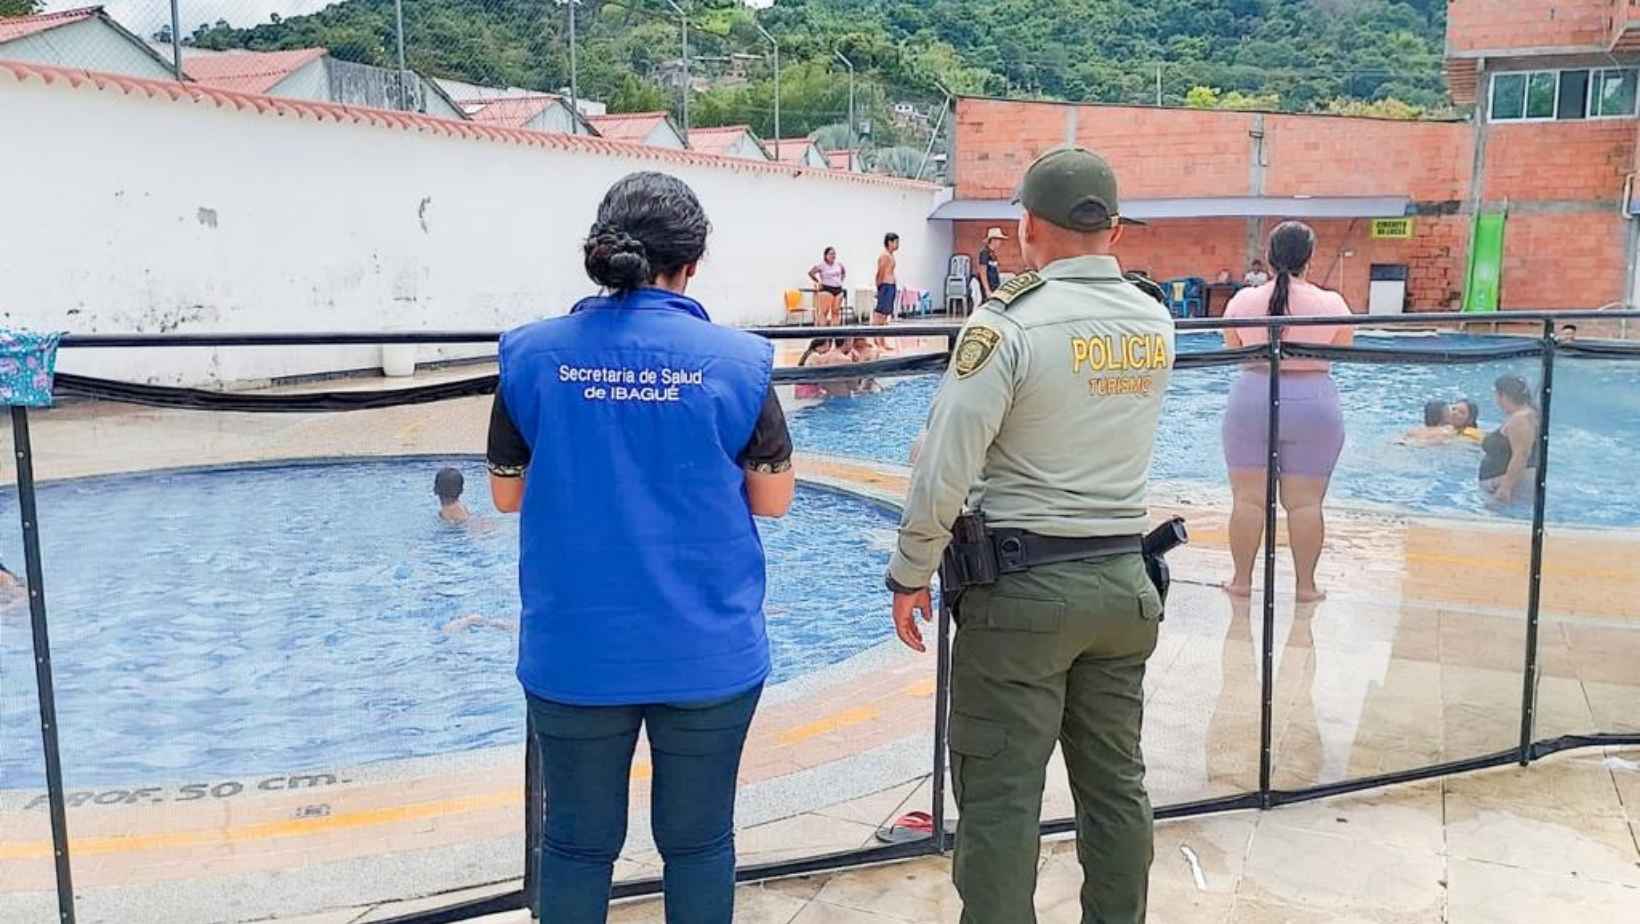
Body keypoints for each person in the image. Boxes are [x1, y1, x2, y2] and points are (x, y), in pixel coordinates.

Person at [486, 171, 796, 924]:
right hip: (707, 649)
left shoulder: (531, 355)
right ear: (693, 262)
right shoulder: (739, 361)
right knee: (696, 844)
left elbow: (504, 493)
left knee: (575, 844)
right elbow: (773, 500)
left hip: (575, 648)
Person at [885, 148, 1174, 924]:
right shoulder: (1155, 319)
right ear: (1113, 229)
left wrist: (910, 569)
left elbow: (945, 464)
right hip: (1124, 586)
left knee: (1002, 797)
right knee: (1116, 787)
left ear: (1025, 227)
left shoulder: (1006, 324)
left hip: (1023, 596)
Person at [1221, 221, 1353, 603]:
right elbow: (1341, 351)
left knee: (1248, 500)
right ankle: (1306, 587)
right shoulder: (1331, 304)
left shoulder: (1243, 301)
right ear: (1309, 259)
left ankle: (1242, 582)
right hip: (1314, 405)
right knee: (1306, 503)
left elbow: (1234, 349)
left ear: (1270, 257)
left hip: (1251, 399)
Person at [1480, 374, 1540, 505]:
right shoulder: (1527, 414)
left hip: (1510, 484)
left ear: (1502, 395)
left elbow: (1522, 454)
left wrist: (1506, 487)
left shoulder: (1520, 419)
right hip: (1510, 482)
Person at [1404, 398, 1482, 445]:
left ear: (1469, 419)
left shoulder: (1471, 433)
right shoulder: (1441, 429)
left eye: (1461, 412)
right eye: (1453, 409)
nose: (1455, 413)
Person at [874, 232, 901, 351]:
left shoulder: (891, 255)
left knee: (885, 317)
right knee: (880, 316)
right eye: (896, 242)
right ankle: (877, 343)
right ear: (889, 242)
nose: (898, 245)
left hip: (890, 286)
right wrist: (879, 287)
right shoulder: (885, 256)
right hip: (885, 286)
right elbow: (880, 272)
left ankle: (883, 342)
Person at [807, 247, 847, 327]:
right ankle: (823, 335)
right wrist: (818, 281)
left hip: (838, 289)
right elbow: (811, 273)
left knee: (836, 312)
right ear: (826, 255)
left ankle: (835, 335)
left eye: (834, 254)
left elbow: (843, 272)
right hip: (827, 289)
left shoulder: (838, 264)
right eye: (831, 254)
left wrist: (840, 280)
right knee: (824, 312)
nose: (833, 256)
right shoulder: (822, 265)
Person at [977, 227, 1007, 299]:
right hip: (988, 287)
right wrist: (987, 290)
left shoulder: (992, 253)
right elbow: (982, 271)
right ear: (993, 240)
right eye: (999, 239)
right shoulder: (984, 252)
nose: (1000, 242)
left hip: (994, 285)